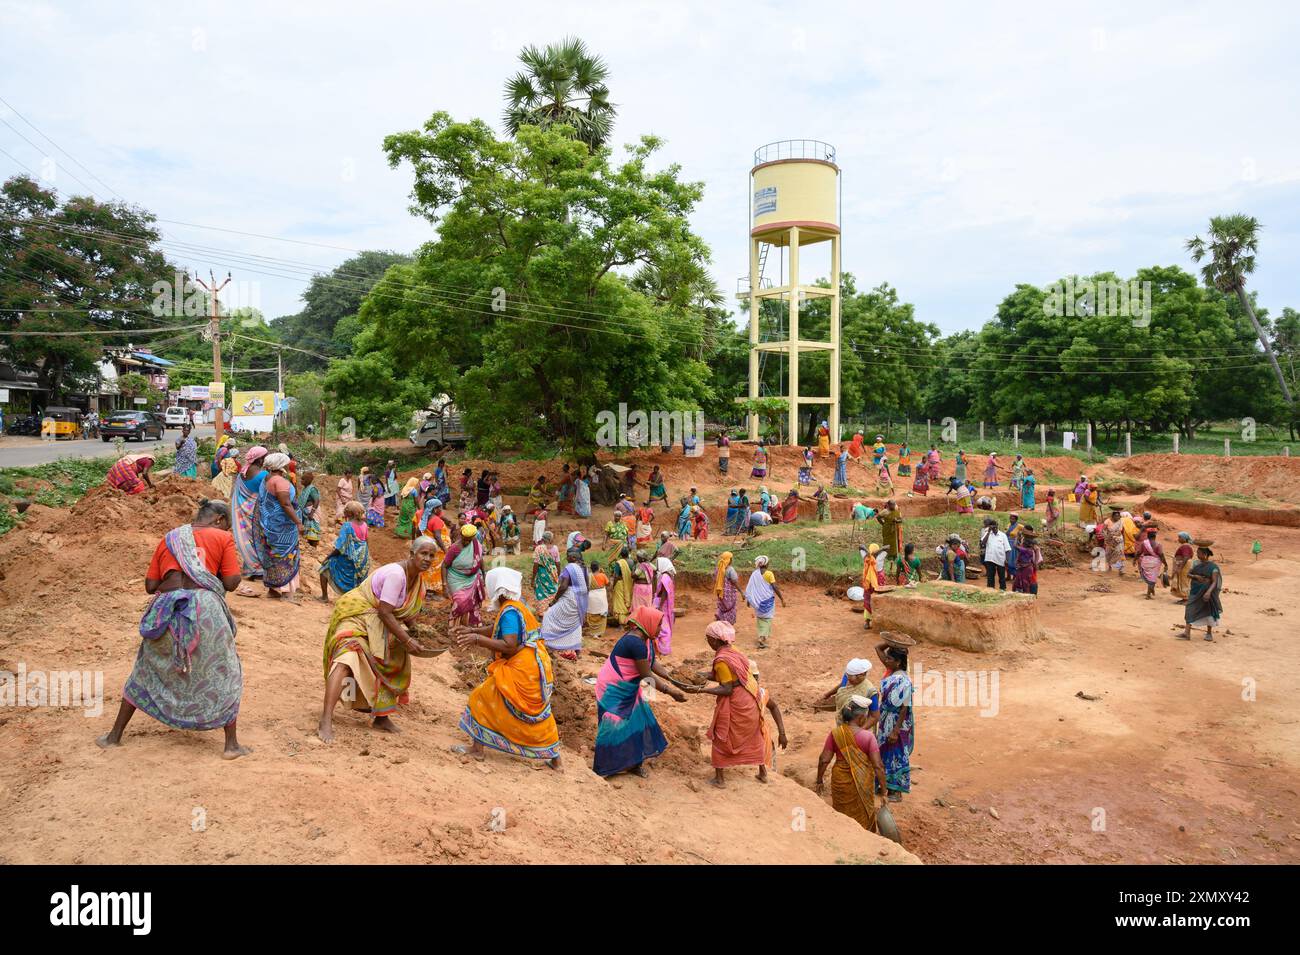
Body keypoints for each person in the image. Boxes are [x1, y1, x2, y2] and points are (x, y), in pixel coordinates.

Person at [96, 500, 248, 759]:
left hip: (166, 610)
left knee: (146, 670)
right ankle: (231, 746)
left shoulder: (171, 538)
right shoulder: (222, 537)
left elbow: (150, 584)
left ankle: (114, 737)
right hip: (205, 610)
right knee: (224, 672)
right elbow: (232, 583)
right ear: (220, 520)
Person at [318, 537, 437, 741]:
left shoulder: (417, 580)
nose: (427, 559)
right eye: (423, 553)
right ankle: (325, 719)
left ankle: (381, 717)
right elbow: (385, 611)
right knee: (348, 656)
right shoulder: (396, 575)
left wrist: (419, 633)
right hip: (357, 615)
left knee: (394, 657)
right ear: (412, 554)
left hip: (377, 620)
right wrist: (408, 640)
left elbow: (405, 614)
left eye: (431, 555)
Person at [452, 566, 562, 767]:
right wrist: (472, 630)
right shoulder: (515, 606)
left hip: (521, 668)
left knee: (482, 696)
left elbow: (509, 645)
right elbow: (498, 629)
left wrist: (477, 638)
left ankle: (477, 750)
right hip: (534, 666)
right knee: (538, 713)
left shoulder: (510, 611)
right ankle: (555, 758)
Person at [592, 607, 686, 777]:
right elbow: (646, 675)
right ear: (648, 624)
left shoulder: (647, 639)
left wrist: (671, 678)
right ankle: (603, 769)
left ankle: (635, 763)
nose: (660, 629)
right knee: (611, 726)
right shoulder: (635, 643)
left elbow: (651, 663)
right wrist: (671, 691)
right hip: (613, 689)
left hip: (630, 686)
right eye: (658, 625)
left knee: (638, 721)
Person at [685, 621, 782, 786]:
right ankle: (763, 773)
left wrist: (702, 690)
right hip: (749, 698)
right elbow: (726, 676)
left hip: (735, 702)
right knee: (753, 734)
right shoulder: (733, 651)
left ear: (715, 640)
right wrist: (700, 674)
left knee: (721, 735)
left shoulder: (721, 659)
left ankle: (720, 779)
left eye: (708, 639)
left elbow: (727, 688)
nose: (707, 642)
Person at [816, 696, 890, 832]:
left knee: (842, 813)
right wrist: (884, 791)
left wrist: (819, 780)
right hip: (863, 781)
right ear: (861, 717)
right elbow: (878, 766)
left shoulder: (836, 733)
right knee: (863, 813)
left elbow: (824, 759)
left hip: (840, 781)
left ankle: (844, 835)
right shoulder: (868, 737)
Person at [256, 453, 303, 600]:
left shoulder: (266, 479)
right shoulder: (280, 481)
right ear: (281, 465)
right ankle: (287, 592)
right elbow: (285, 504)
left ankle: (273, 589)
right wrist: (298, 522)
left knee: (272, 554)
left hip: (269, 524)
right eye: (287, 463)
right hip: (282, 527)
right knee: (286, 555)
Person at [875, 640, 914, 801]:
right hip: (886, 719)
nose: (886, 661)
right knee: (884, 751)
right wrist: (892, 641)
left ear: (898, 662)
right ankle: (884, 785)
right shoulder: (892, 671)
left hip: (897, 721)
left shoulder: (904, 680)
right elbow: (877, 648)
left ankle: (896, 791)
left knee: (896, 752)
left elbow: (905, 707)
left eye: (890, 659)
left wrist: (896, 730)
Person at [539, 548, 590, 660]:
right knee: (576, 623)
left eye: (567, 556)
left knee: (549, 615)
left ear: (573, 557)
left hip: (570, 598)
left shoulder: (570, 568)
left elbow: (563, 586)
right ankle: (577, 650)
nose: (566, 558)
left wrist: (554, 601)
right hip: (581, 600)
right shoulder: (584, 568)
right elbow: (587, 586)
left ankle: (548, 643)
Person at [318, 500, 371, 601]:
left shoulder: (347, 526)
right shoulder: (364, 525)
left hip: (348, 560)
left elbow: (340, 547)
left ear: (350, 513)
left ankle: (324, 597)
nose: (344, 512)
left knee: (324, 569)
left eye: (345, 510)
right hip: (361, 560)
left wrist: (328, 557)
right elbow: (366, 542)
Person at [444, 524, 486, 626]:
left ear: (473, 537)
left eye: (469, 540)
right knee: (460, 601)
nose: (466, 542)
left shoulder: (476, 544)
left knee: (472, 602)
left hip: (472, 578)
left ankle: (469, 624)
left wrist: (484, 575)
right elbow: (444, 565)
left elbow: (479, 560)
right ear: (461, 535)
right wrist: (444, 584)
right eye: (465, 539)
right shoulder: (455, 548)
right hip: (456, 578)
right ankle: (453, 625)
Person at [1181, 541, 1222, 641]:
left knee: (1208, 611)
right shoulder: (1195, 564)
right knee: (1190, 608)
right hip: (1195, 590)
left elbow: (1214, 581)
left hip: (1207, 591)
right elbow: (1188, 574)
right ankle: (1187, 633)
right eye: (1197, 553)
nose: (1197, 555)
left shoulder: (1213, 567)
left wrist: (1208, 592)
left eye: (1199, 553)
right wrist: (1196, 577)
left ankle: (1209, 633)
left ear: (1205, 554)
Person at [744, 555, 785, 649]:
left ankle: (762, 635)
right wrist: (782, 598)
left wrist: (749, 601)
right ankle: (761, 639)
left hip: (757, 602)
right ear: (766, 564)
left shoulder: (754, 574)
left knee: (760, 619)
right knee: (767, 619)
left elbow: (751, 589)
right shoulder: (769, 574)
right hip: (768, 600)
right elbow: (774, 586)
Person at [651, 556, 677, 655]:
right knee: (664, 626)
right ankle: (662, 648)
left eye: (658, 565)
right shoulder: (668, 576)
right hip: (666, 604)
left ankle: (663, 649)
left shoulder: (664, 577)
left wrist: (660, 606)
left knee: (662, 627)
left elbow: (664, 592)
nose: (657, 567)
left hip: (662, 604)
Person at [1137, 525, 1168, 599]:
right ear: (1155, 536)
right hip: (1155, 562)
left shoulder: (1144, 543)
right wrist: (1165, 564)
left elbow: (1139, 552)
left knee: (1149, 578)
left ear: (1147, 535)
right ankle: (1148, 594)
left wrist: (1135, 559)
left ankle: (1150, 591)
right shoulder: (1158, 545)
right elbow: (1161, 555)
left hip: (1145, 561)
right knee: (1152, 578)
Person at [981, 518, 1009, 590]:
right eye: (992, 526)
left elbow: (1007, 549)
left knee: (1001, 576)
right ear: (990, 526)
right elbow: (983, 543)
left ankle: (1003, 590)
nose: (994, 527)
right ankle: (990, 590)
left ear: (997, 525)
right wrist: (988, 532)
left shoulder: (1003, 535)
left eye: (995, 526)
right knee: (990, 577)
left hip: (1000, 559)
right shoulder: (988, 534)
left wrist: (1007, 560)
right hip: (990, 559)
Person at [531, 530, 561, 601]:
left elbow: (536, 565)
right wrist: (558, 575)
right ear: (551, 539)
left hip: (542, 574)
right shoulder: (555, 548)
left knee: (541, 592)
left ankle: (542, 608)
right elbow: (558, 564)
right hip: (553, 573)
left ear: (543, 539)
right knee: (553, 591)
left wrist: (533, 579)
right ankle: (553, 607)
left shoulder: (538, 548)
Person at [609, 547, 635, 623]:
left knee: (620, 603)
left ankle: (622, 623)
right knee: (628, 601)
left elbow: (616, 576)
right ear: (628, 554)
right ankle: (629, 620)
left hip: (620, 584)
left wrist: (613, 585)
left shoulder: (619, 563)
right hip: (629, 583)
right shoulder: (632, 562)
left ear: (620, 554)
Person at [1012, 528, 1041, 595]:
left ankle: (1027, 595)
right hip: (1026, 567)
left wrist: (1016, 537)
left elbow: (1015, 546)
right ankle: (1028, 594)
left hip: (1026, 567)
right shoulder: (1030, 549)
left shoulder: (1026, 550)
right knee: (1025, 582)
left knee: (1025, 583)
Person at [713, 550, 740, 624]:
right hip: (729, 593)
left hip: (720, 592)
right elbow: (734, 581)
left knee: (722, 606)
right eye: (731, 558)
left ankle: (720, 620)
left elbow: (715, 579)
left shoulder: (718, 568)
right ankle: (728, 623)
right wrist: (741, 592)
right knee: (731, 607)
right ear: (729, 560)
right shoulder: (730, 569)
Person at [585, 562, 609, 642]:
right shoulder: (602, 575)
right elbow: (608, 584)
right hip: (601, 597)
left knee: (592, 614)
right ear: (598, 568)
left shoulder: (589, 576)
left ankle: (593, 632)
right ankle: (599, 632)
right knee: (601, 614)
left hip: (591, 598)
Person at [860, 543, 882, 630]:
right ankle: (877, 621)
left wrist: (868, 552)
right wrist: (876, 552)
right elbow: (887, 547)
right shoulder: (879, 558)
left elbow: (861, 546)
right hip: (876, 582)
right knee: (877, 601)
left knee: (868, 600)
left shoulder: (866, 557)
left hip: (868, 583)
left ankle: (867, 622)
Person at [297, 471, 321, 546]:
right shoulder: (305, 488)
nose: (301, 481)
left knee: (313, 529)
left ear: (307, 480)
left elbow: (317, 500)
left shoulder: (312, 489)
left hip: (311, 511)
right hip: (306, 512)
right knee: (308, 529)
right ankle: (310, 545)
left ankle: (313, 545)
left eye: (303, 479)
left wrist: (312, 512)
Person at [1170, 531, 1194, 602]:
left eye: (1180, 537)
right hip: (1184, 564)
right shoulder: (1186, 546)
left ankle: (1186, 598)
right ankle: (1184, 597)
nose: (1178, 539)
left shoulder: (1185, 546)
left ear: (1184, 538)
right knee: (1182, 580)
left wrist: (1180, 568)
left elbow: (1186, 557)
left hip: (1184, 565)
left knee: (1184, 581)